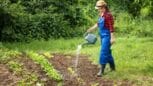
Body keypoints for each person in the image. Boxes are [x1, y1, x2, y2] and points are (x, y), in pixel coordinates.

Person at [86, 0, 116, 77]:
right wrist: (91, 29)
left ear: (103, 7)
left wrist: (112, 38)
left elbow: (111, 27)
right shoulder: (101, 14)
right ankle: (113, 68)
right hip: (102, 36)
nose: (98, 10)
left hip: (107, 36)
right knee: (107, 52)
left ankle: (101, 70)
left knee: (103, 52)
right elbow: (98, 24)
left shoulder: (108, 15)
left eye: (98, 8)